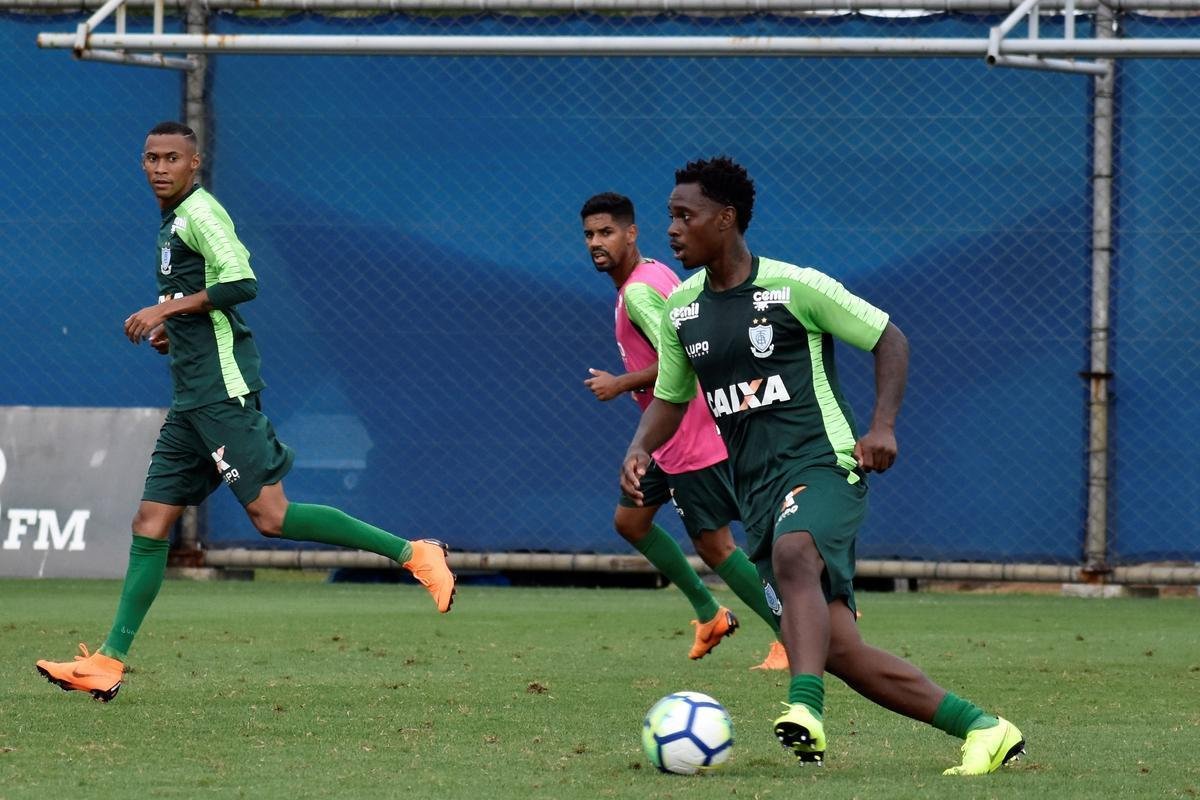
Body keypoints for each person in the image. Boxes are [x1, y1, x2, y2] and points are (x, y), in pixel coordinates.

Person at [619, 157, 1025, 775]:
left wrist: (883, 425)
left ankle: (805, 708)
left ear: (725, 220)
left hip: (824, 465)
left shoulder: (794, 287)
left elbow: (890, 338)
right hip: (755, 490)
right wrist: (640, 446)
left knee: (795, 551)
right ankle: (984, 728)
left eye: (684, 216)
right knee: (838, 648)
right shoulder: (683, 312)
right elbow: (673, 397)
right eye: (670, 215)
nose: (671, 229)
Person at [35, 121, 456, 703]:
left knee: (272, 517)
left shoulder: (203, 213)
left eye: (171, 158)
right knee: (150, 524)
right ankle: (108, 661)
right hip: (191, 400)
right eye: (150, 158)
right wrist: (175, 330)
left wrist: (165, 312)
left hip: (222, 394)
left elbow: (241, 281)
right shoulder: (172, 221)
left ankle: (414, 554)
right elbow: (206, 307)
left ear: (195, 163)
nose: (160, 167)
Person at [580, 192, 786, 670]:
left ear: (632, 233)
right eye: (590, 234)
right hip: (662, 437)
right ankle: (709, 614)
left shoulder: (637, 291)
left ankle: (793, 634)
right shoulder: (650, 271)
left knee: (718, 545)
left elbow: (683, 356)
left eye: (607, 232)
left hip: (686, 434)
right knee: (630, 521)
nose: (596, 242)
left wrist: (621, 383)